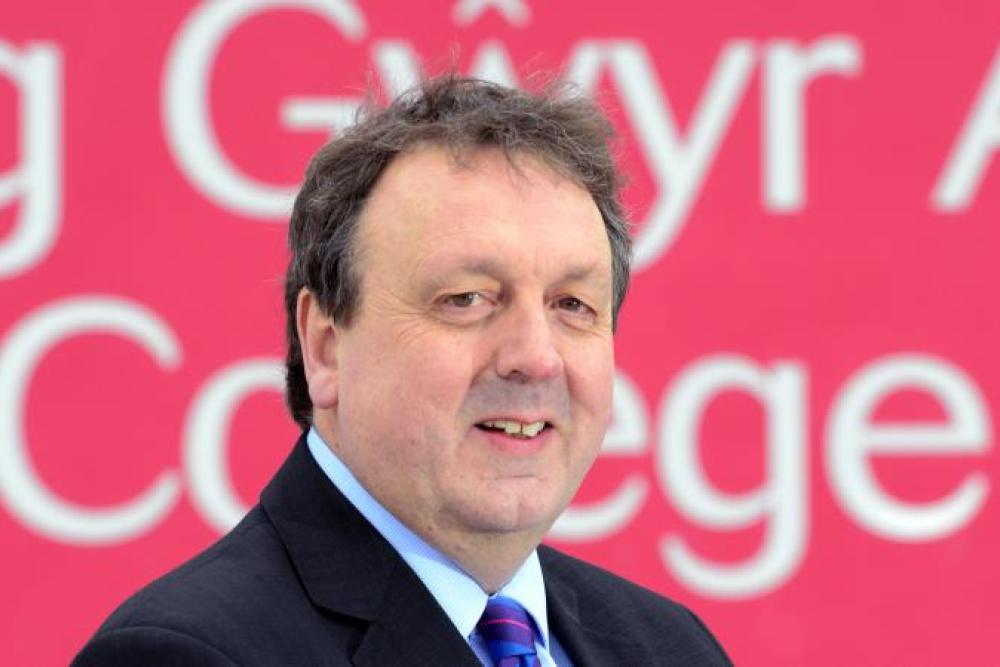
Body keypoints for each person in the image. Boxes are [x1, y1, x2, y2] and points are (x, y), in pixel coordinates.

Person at [73, 75, 731, 666]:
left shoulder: (671, 647)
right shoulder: (185, 653)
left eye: (572, 305)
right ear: (325, 346)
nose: (536, 357)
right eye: (467, 299)